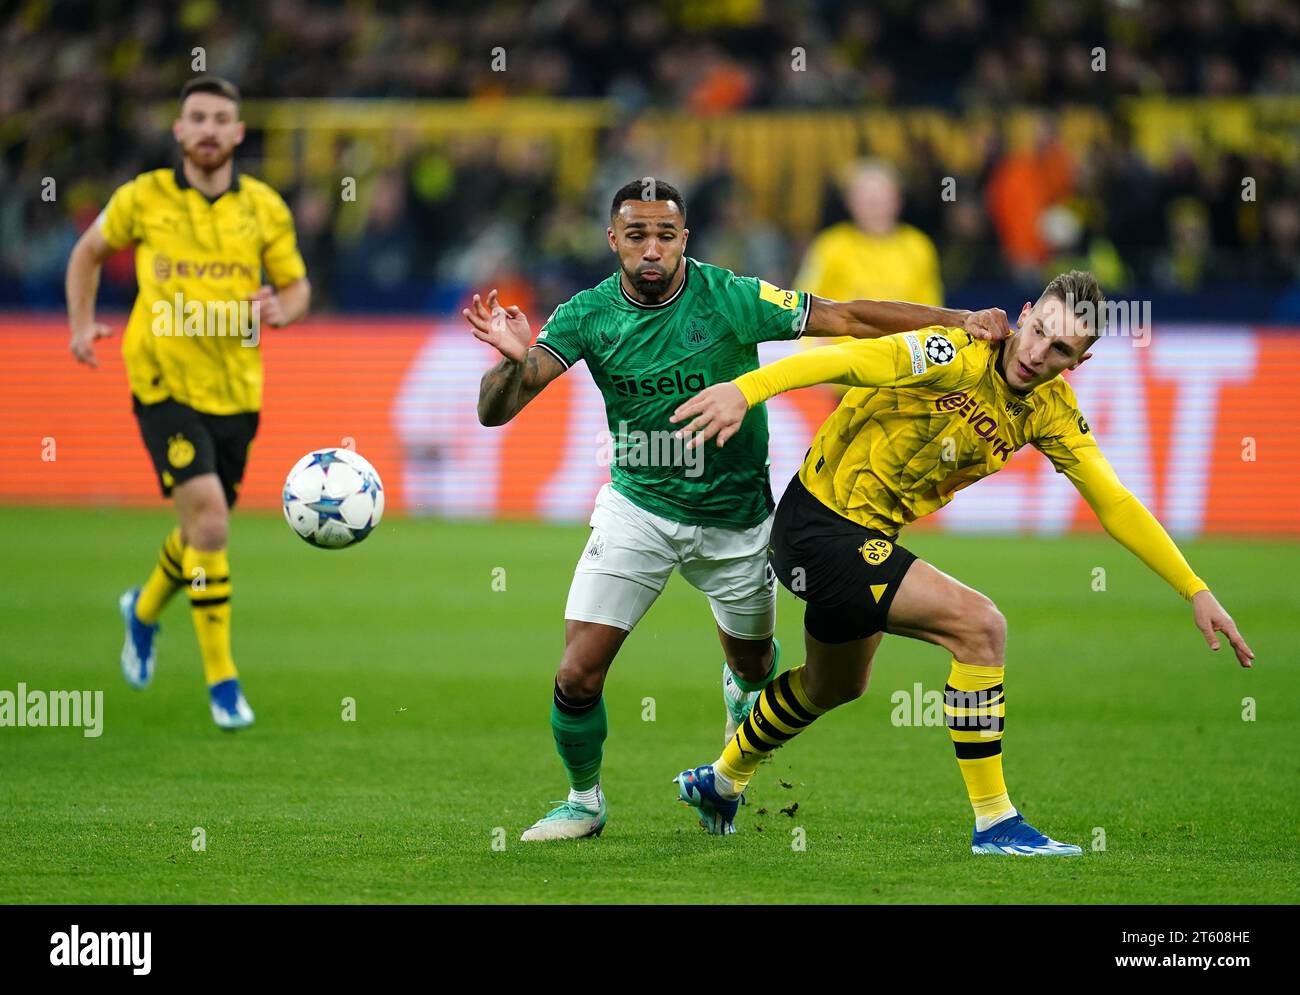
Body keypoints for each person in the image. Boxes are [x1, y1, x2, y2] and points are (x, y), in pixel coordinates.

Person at [466, 179, 1009, 840]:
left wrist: (959, 321)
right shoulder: (586, 314)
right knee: (577, 672)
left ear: (684, 240)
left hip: (739, 521)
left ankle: (736, 693)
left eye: (665, 235)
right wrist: (508, 364)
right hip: (637, 510)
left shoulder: (733, 296)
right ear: (613, 240)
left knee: (755, 671)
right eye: (636, 235)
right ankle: (584, 799)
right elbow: (497, 412)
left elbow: (846, 318)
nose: (651, 249)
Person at [669, 270, 1254, 853]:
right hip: (817, 526)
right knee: (980, 627)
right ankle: (995, 822)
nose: (1037, 352)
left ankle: (721, 781)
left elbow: (1115, 502)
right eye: (1039, 330)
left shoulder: (1050, 410)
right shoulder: (952, 350)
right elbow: (841, 362)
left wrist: (1195, 589)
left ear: (1078, 362)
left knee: (833, 686)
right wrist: (746, 390)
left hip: (866, 537)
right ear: (1025, 313)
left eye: (1061, 350)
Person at [65, 76, 310, 729]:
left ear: (237, 133)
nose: (207, 128)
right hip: (161, 378)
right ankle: (222, 680)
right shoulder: (142, 197)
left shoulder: (263, 206)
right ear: (178, 130)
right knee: (211, 525)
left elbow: (298, 286)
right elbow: (87, 254)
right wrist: (80, 322)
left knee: (201, 532)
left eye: (219, 118)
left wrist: (281, 310)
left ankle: (142, 611)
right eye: (195, 116)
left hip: (237, 388)